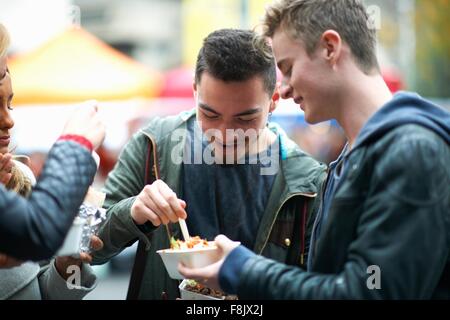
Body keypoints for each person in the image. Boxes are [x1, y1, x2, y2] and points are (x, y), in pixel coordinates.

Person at [179, 0, 450, 300]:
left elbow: (372, 291)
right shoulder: (351, 161)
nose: (283, 89)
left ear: (330, 48)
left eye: (289, 68)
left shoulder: (410, 152)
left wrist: (243, 271)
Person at [93, 28, 327, 299]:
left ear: (273, 100)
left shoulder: (307, 181)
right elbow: (91, 249)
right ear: (195, 92)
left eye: (245, 118)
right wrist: (132, 212)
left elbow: (320, 287)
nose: (225, 133)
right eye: (210, 114)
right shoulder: (154, 146)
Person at [0, 23, 106, 262]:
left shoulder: (22, 179)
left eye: (10, 104)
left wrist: (64, 265)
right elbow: (37, 234)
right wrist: (75, 144)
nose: (9, 120)